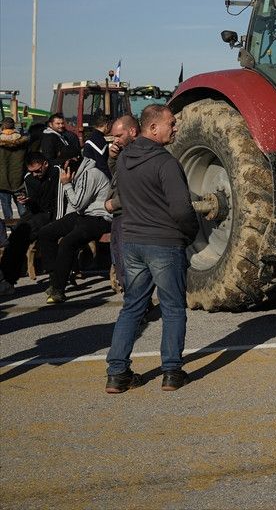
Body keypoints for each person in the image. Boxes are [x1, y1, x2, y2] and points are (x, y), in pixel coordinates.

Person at [104, 105, 199, 395]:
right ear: (153, 127)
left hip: (132, 241)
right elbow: (182, 209)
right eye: (171, 123)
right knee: (172, 308)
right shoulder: (166, 163)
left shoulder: (125, 159)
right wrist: (190, 234)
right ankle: (171, 372)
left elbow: (121, 197)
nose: (175, 127)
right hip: (164, 243)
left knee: (132, 306)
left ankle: (117, 373)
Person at [35, 154, 112, 303]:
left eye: (63, 164)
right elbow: (73, 207)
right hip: (82, 215)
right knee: (46, 232)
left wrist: (66, 184)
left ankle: (58, 290)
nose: (61, 168)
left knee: (67, 243)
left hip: (98, 217)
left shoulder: (91, 174)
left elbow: (78, 203)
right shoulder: (77, 173)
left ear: (71, 162)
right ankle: (55, 277)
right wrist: (64, 223)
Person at [0, 152, 65, 293]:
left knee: (39, 232)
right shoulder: (29, 178)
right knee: (17, 234)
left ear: (45, 164)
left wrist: (57, 223)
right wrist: (26, 200)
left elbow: (59, 200)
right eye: (32, 171)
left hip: (54, 213)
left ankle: (55, 281)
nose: (35, 174)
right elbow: (34, 202)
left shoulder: (57, 172)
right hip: (37, 212)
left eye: (38, 170)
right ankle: (7, 279)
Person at [104, 115, 140, 290]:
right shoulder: (125, 152)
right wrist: (112, 158)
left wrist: (115, 203)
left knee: (127, 263)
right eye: (113, 137)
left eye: (119, 136)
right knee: (120, 259)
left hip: (127, 214)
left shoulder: (138, 154)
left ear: (132, 131)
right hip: (120, 215)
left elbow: (137, 188)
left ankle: (135, 299)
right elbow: (118, 176)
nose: (115, 140)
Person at [0, 118, 29, 222]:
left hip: (2, 181)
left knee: (6, 206)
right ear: (14, 127)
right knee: (22, 206)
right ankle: (25, 226)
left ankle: (11, 228)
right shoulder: (23, 142)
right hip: (19, 180)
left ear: (2, 127)